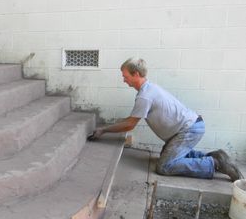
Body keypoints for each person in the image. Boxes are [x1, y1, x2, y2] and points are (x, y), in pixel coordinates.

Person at [89, 57, 243, 182]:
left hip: (188, 130)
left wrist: (103, 130)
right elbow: (130, 119)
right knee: (168, 156)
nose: (123, 79)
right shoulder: (149, 88)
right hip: (189, 127)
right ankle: (214, 156)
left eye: (125, 76)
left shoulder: (145, 96)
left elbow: (129, 124)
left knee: (165, 166)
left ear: (135, 74)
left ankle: (214, 163)